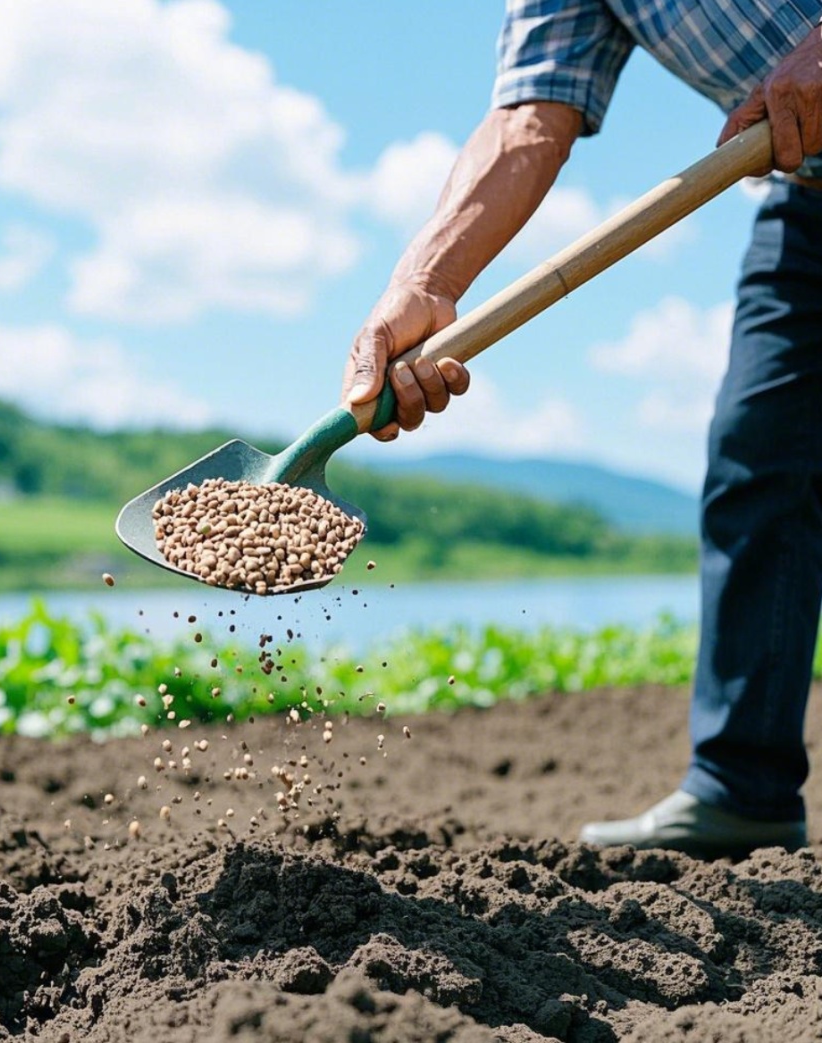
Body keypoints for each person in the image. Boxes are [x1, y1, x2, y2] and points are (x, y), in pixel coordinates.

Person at [342, 1, 822, 860]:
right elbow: (532, 113)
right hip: (810, 196)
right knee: (758, 459)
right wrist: (425, 278)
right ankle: (740, 788)